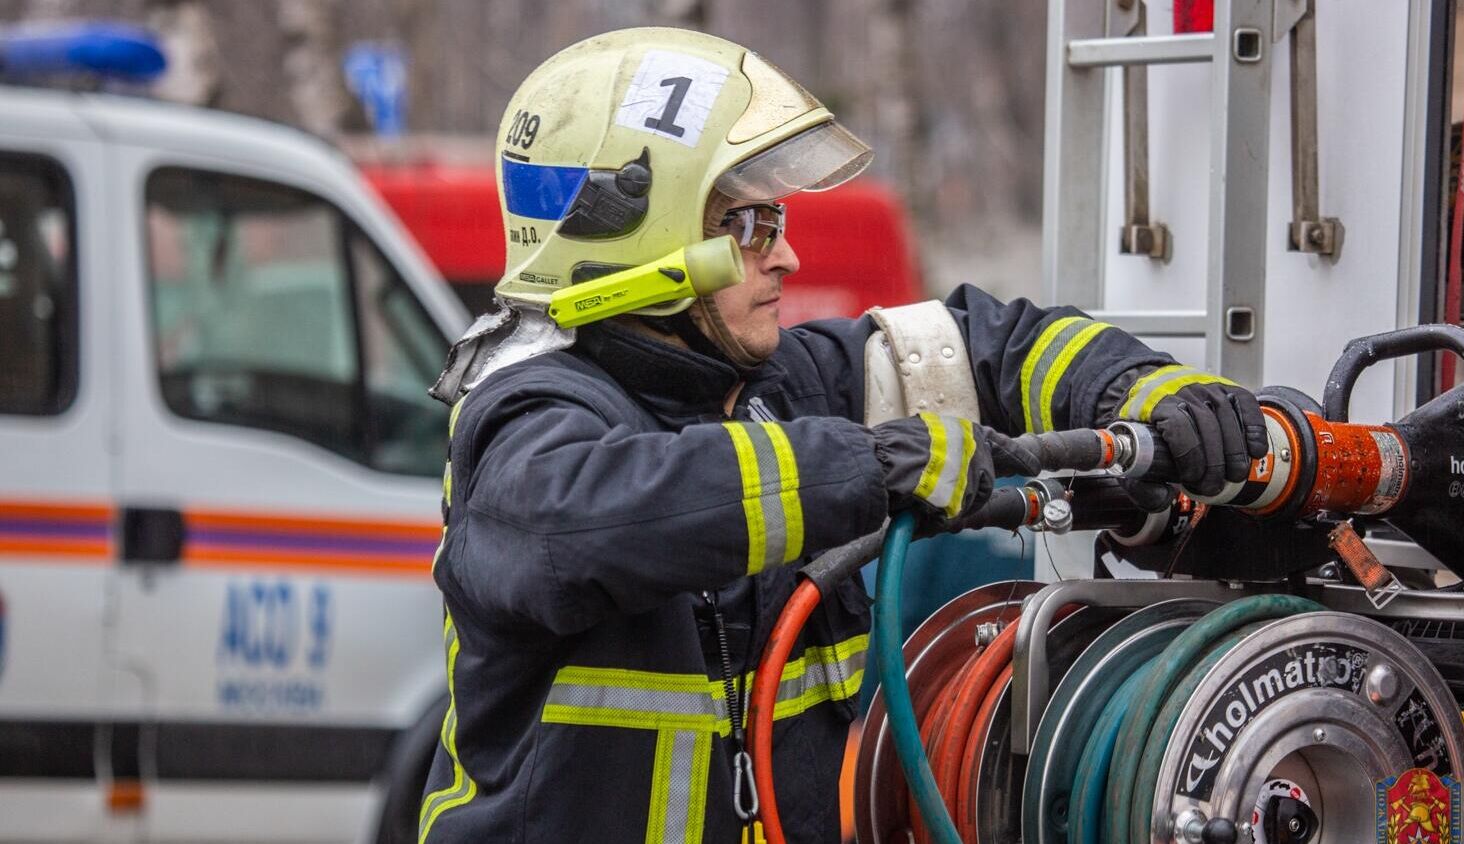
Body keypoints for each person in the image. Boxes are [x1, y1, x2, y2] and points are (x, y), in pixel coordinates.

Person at [418, 27, 1266, 844]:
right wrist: (865, 468)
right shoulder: (523, 417)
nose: (785, 257)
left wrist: (1146, 390)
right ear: (641, 229)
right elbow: (588, 520)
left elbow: (984, 345)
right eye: (751, 228)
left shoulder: (779, 387)